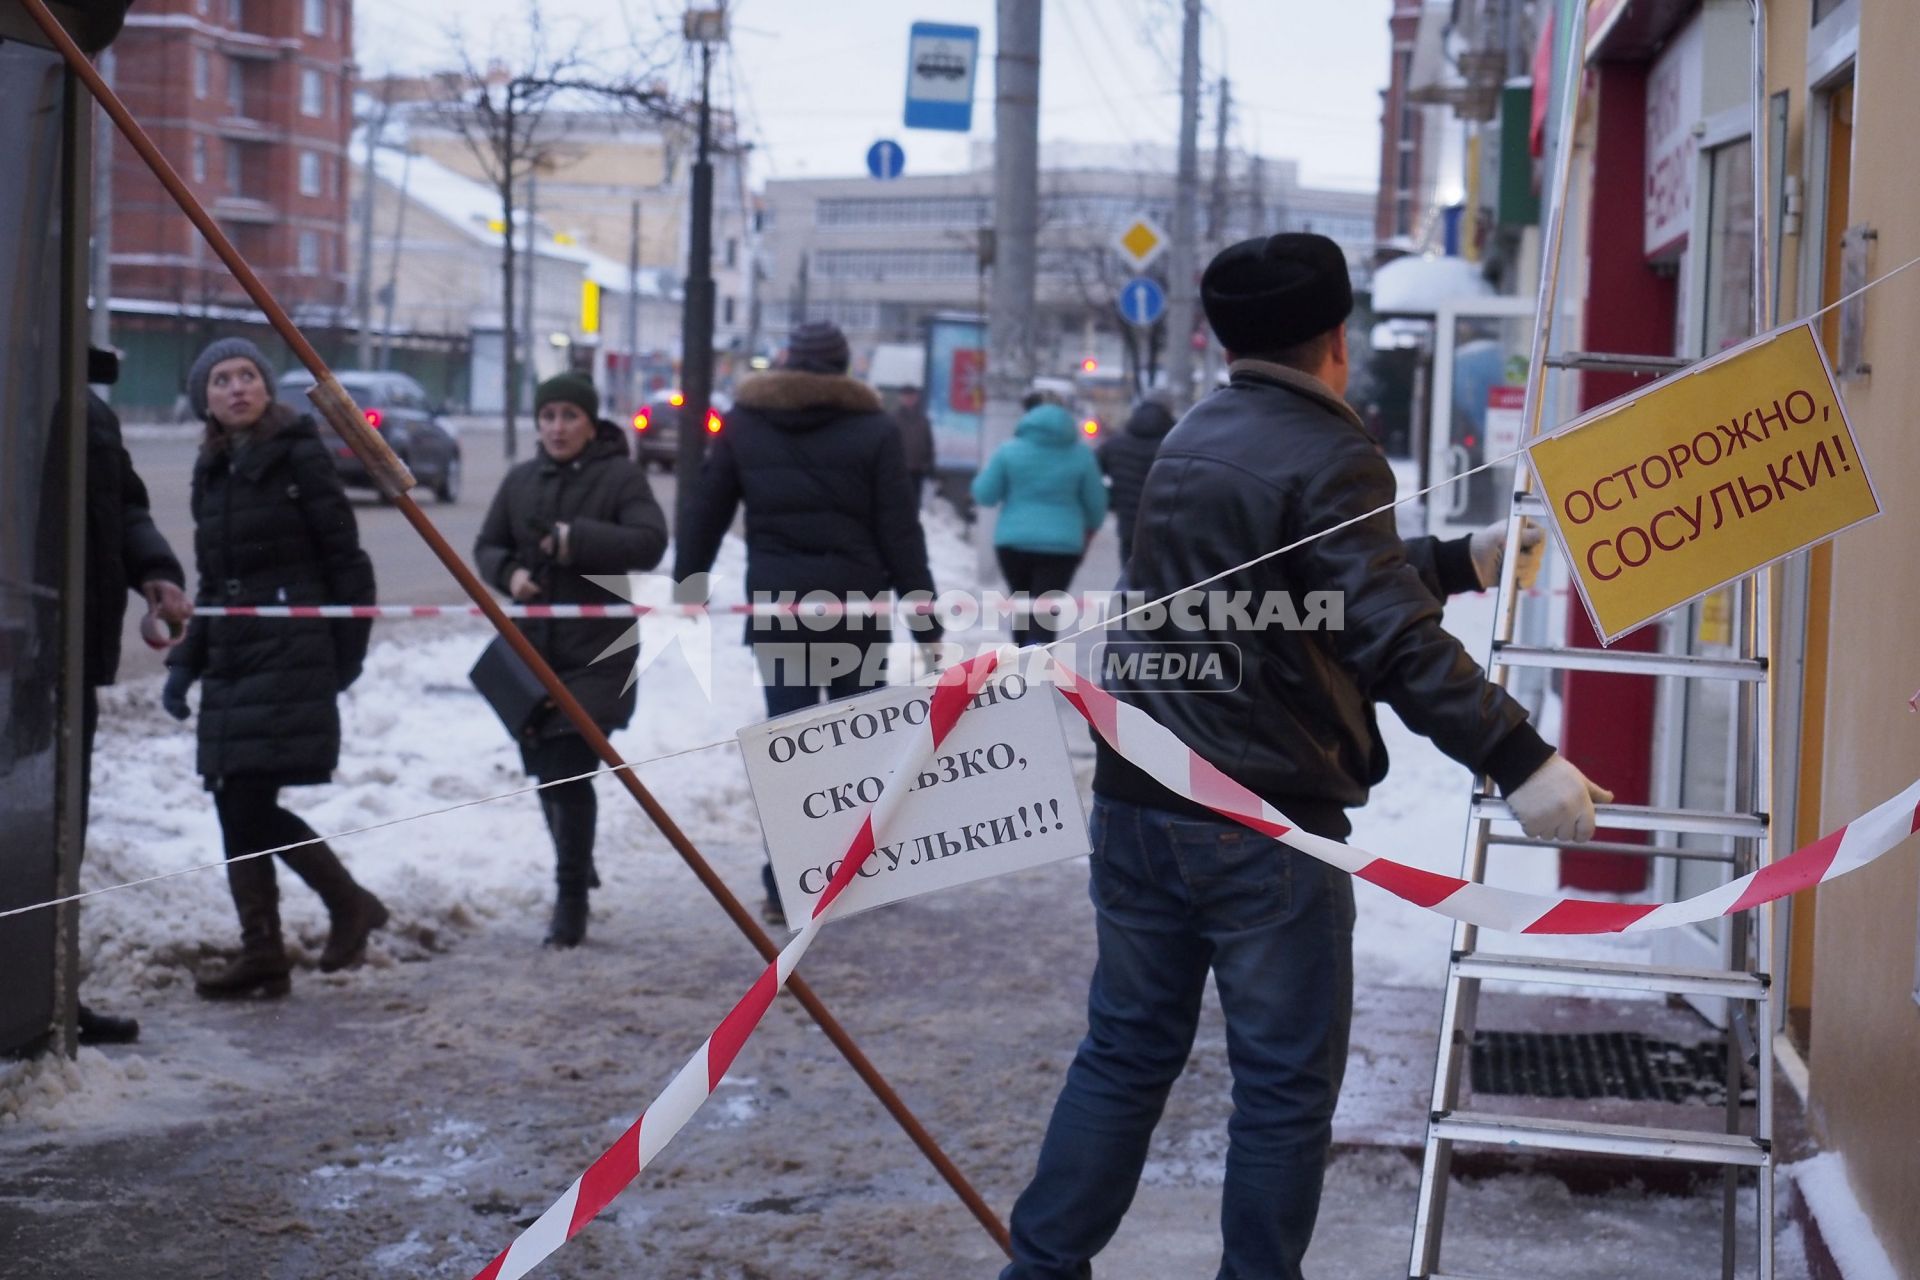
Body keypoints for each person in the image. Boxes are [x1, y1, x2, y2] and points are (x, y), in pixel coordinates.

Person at [1000, 234, 1608, 1280]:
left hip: (1143, 798)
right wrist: (1521, 755)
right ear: (1338, 338)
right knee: (1282, 1088)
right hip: (1263, 824)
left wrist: (1454, 559)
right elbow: (1387, 637)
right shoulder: (1331, 450)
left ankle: (1040, 1267)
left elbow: (1296, 591)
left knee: (1126, 1052)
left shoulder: (1194, 432)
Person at [674, 320, 939, 926]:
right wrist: (924, 620)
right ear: (845, 369)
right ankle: (861, 873)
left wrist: (688, 587)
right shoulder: (875, 430)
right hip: (857, 616)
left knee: (792, 750)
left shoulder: (745, 424)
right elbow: (901, 532)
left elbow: (705, 513)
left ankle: (785, 883)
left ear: (789, 363)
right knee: (861, 746)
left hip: (780, 613)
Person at [163, 337, 387, 1001]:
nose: (237, 388)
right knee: (235, 798)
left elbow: (347, 560)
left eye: (248, 376)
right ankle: (269, 948)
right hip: (235, 655)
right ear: (205, 400)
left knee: (246, 800)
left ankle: (343, 907)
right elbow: (215, 582)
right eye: (221, 380)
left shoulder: (298, 455)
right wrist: (186, 664)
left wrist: (344, 653)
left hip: (290, 650)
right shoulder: (213, 469)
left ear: (267, 388)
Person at [474, 371, 668, 948]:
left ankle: (570, 899)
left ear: (590, 422)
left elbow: (649, 542)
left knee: (566, 763)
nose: (557, 427)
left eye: (569, 416)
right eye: (549, 416)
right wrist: (509, 573)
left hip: (600, 654)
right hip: (535, 652)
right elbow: (488, 545)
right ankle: (575, 859)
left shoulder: (620, 476)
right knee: (541, 762)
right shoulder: (521, 480)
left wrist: (573, 540)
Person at [970, 401, 1108, 647]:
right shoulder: (1081, 456)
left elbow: (984, 494)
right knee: (1045, 611)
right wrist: (1089, 530)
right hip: (1062, 546)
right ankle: (1039, 665)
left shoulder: (1009, 451)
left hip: (1013, 543)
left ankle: (1021, 660)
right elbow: (1096, 504)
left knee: (1021, 605)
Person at [1094, 396, 1175, 564]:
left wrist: (1111, 499)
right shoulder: (1174, 445)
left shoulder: (1116, 443)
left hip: (1128, 520)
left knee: (1129, 569)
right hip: (1166, 520)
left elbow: (1093, 471)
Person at [891, 384, 935, 507]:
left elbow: (929, 444)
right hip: (898, 471)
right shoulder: (893, 419)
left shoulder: (923, 420)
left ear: (917, 398)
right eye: (906, 396)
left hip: (917, 470)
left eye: (912, 396)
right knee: (898, 503)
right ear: (901, 398)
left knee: (914, 504)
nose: (909, 399)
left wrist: (929, 466)